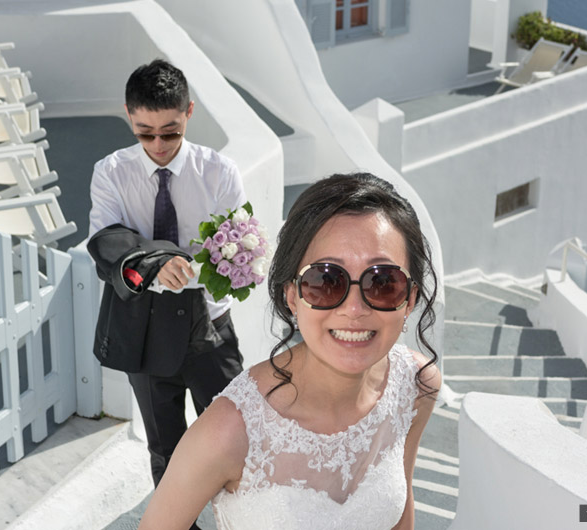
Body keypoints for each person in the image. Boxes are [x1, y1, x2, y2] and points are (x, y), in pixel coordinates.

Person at [138, 173, 442, 530]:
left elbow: (401, 513)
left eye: (383, 282)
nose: (355, 309)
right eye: (326, 281)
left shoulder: (417, 385)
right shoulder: (229, 430)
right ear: (293, 295)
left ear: (410, 299)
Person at [87, 59, 245, 526]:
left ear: (189, 112)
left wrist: (185, 268)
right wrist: (162, 263)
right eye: (144, 132)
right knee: (166, 450)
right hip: (146, 332)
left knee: (237, 441)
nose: (157, 145)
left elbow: (234, 259)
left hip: (210, 332)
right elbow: (106, 245)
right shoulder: (110, 172)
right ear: (129, 117)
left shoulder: (219, 172)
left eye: (170, 132)